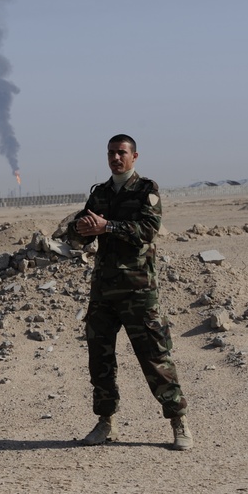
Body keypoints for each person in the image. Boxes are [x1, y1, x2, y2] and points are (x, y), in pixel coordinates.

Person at [64, 134, 192, 450]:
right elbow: (78, 234)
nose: (115, 158)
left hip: (139, 290)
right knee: (100, 359)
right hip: (104, 292)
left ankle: (178, 420)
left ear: (134, 156)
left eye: (121, 152)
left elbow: (148, 230)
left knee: (155, 356)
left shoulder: (146, 190)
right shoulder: (100, 193)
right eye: (111, 153)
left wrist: (107, 227)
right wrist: (81, 229)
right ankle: (105, 422)